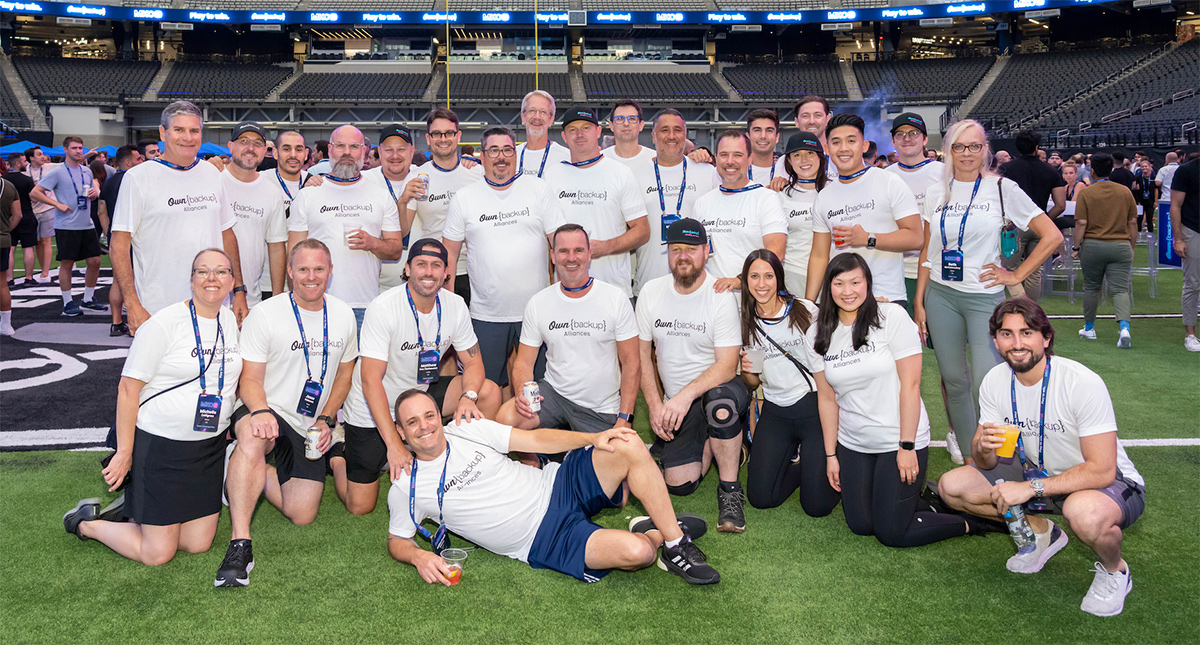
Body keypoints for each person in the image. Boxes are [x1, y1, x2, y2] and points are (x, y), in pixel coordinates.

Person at [938, 298, 1145, 617]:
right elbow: (988, 462)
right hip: (1040, 476)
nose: (1017, 343)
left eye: (1027, 332)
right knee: (952, 486)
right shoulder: (994, 381)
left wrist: (1029, 489)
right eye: (1006, 334)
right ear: (995, 340)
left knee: (1085, 513)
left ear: (1046, 338)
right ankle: (1042, 534)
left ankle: (1116, 571)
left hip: (1107, 483)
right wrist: (982, 447)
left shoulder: (1081, 383)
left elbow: (1102, 470)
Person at [386, 388, 721, 585]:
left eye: (429, 415)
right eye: (412, 422)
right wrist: (417, 556)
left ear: (438, 415)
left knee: (627, 443)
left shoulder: (466, 429)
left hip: (558, 484)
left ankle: (676, 545)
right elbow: (396, 539)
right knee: (640, 553)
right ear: (400, 431)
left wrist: (594, 438)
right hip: (542, 539)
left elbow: (534, 439)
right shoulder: (406, 486)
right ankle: (657, 532)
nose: (424, 426)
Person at [62, 249, 243, 565]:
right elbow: (128, 388)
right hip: (160, 447)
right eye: (203, 271)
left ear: (231, 280)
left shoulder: (229, 320)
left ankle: (136, 510)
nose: (212, 278)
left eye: (221, 272)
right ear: (191, 279)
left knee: (197, 543)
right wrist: (124, 453)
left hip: (207, 449)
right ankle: (87, 524)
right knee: (158, 553)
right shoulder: (163, 324)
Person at [915, 119, 1061, 464]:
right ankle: (970, 457)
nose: (967, 154)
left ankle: (998, 457)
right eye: (959, 147)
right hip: (940, 294)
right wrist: (920, 303)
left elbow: (1051, 235)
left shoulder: (1002, 188)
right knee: (953, 381)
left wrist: (1015, 275)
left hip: (984, 299)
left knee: (986, 382)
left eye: (975, 146)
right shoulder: (936, 191)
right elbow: (927, 251)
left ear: (986, 149)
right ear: (949, 150)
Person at [215, 239, 358, 587]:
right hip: (267, 407)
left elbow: (345, 374)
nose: (312, 277)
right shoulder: (266, 313)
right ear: (290, 272)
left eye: (319, 269)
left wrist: (325, 419)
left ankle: (240, 465)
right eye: (304, 269)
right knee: (252, 434)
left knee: (302, 513)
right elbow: (248, 379)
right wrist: (260, 411)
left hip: (307, 424)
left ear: (330, 272)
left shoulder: (342, 314)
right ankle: (240, 545)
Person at [811, 253, 979, 547]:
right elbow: (826, 398)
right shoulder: (818, 330)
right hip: (854, 443)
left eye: (855, 282)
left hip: (897, 440)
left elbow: (911, 386)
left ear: (868, 283)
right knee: (861, 525)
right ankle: (916, 500)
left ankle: (972, 522)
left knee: (891, 533)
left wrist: (906, 446)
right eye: (839, 283)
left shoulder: (891, 317)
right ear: (829, 287)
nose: (848, 291)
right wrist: (830, 455)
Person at [339, 238, 501, 515]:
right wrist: (393, 444)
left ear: (446, 273)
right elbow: (370, 380)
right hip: (373, 407)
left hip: (419, 399)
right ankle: (337, 454)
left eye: (436, 265)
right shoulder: (384, 307)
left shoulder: (455, 305)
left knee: (488, 391)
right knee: (360, 507)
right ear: (407, 269)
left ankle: (466, 466)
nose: (428, 272)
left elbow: (474, 364)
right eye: (421, 264)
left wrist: (468, 397)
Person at [637, 219, 747, 533]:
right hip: (677, 404)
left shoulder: (720, 295)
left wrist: (684, 398)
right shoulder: (651, 292)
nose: (683, 256)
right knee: (679, 484)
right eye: (676, 250)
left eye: (691, 249)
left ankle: (730, 492)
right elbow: (643, 356)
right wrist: (657, 407)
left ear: (706, 251)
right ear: (668, 254)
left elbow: (727, 365)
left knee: (720, 404)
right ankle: (719, 441)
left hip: (717, 390)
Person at [111, 101, 250, 335]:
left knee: (218, 372)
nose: (188, 137)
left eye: (194, 130)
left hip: (214, 307)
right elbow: (119, 245)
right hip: (158, 310)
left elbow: (227, 235)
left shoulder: (212, 174)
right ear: (162, 133)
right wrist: (132, 304)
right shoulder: (138, 178)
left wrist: (239, 291)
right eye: (179, 130)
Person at [443, 127, 565, 390]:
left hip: (536, 311)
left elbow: (559, 244)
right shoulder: (465, 198)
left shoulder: (538, 188)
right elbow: (449, 254)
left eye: (507, 149)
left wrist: (563, 296)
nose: (501, 156)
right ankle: (491, 431)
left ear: (516, 154)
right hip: (486, 314)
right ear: (483, 156)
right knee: (486, 388)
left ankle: (540, 431)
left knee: (542, 386)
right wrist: (449, 305)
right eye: (494, 150)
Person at [496, 224, 639, 442]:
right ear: (553, 256)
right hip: (554, 396)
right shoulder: (539, 302)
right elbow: (524, 363)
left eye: (579, 250)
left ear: (589, 253)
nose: (571, 258)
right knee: (507, 418)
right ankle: (534, 463)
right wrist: (523, 396)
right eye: (563, 251)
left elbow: (632, 363)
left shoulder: (615, 298)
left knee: (614, 468)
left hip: (600, 406)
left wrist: (625, 418)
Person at [738, 249, 836, 515]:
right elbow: (753, 381)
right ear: (745, 281)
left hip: (814, 409)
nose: (761, 284)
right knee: (761, 497)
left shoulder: (804, 309)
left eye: (768, 276)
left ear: (778, 278)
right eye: (754, 276)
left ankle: (829, 467)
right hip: (776, 411)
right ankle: (806, 470)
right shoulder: (745, 320)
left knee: (817, 506)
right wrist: (747, 369)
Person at [287, 124, 404, 331]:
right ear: (330, 149)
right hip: (317, 303)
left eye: (354, 146)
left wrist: (372, 243)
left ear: (364, 151)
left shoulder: (380, 195)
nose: (347, 152)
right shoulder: (309, 194)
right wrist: (297, 303)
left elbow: (395, 251)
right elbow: (293, 256)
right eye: (340, 146)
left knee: (362, 365)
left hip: (366, 306)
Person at [807, 114, 923, 310]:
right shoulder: (824, 196)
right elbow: (819, 255)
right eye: (836, 142)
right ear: (827, 149)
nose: (843, 148)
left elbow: (916, 238)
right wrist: (809, 304)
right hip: (840, 300)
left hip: (885, 297)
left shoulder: (889, 182)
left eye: (851, 141)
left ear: (864, 145)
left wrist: (868, 238)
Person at [542, 107, 649, 299]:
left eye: (586, 127)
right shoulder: (550, 177)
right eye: (572, 130)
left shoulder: (620, 173)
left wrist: (605, 247)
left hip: (613, 290)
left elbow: (642, 231)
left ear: (598, 132)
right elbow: (546, 238)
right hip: (567, 290)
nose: (579, 134)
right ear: (564, 137)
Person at [630, 109, 722, 297]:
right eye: (664, 130)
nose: (671, 136)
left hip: (699, 286)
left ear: (685, 135)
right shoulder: (634, 175)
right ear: (653, 136)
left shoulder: (707, 172)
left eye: (677, 130)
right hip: (649, 284)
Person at [691, 130, 787, 290]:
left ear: (750, 159)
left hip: (753, 300)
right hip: (713, 300)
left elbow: (776, 253)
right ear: (715, 158)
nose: (730, 161)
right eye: (724, 155)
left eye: (737, 155)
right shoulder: (702, 203)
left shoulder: (765, 198)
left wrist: (739, 281)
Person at [409, 108, 483, 302]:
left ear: (458, 136)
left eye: (449, 133)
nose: (443, 138)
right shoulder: (417, 178)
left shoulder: (477, 174)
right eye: (436, 134)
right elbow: (402, 231)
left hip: (476, 271)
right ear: (428, 138)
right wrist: (402, 201)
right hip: (433, 272)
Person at [30, 137, 106, 317]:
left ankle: (88, 299)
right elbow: (35, 193)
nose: (78, 151)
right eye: (74, 148)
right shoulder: (58, 171)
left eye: (80, 148)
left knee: (95, 261)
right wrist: (56, 204)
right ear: (65, 150)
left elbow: (90, 194)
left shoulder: (86, 171)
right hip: (66, 225)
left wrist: (94, 194)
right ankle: (67, 302)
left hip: (86, 224)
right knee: (67, 264)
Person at [1072, 153, 1137, 348]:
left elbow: (1081, 223)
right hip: (1121, 245)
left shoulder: (1086, 193)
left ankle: (1089, 327)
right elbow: (1133, 221)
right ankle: (1124, 327)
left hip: (1093, 245)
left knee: (1091, 287)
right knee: (1120, 289)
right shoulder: (1124, 192)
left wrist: (1076, 247)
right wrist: (1130, 246)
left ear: (1092, 171)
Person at [222, 121, 286, 308]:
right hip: (209, 299)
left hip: (252, 301)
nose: (250, 148)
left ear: (264, 149)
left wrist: (276, 299)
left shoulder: (272, 192)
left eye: (257, 143)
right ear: (231, 146)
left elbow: (276, 247)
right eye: (244, 141)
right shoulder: (213, 181)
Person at [885, 112, 945, 311]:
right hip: (895, 271)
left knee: (939, 338)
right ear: (893, 141)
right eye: (900, 134)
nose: (907, 138)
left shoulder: (944, 173)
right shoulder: (884, 177)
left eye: (914, 133)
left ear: (925, 139)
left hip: (937, 269)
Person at [998, 130, 1066, 301]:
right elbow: (1060, 205)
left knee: (1010, 269)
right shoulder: (1050, 171)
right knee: (1034, 270)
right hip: (1038, 226)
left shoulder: (1007, 169)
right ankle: (1031, 308)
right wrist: (1044, 221)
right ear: (1037, 148)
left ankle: (1020, 306)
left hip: (1013, 226)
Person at [361, 124, 424, 288]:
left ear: (412, 151)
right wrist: (314, 180)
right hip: (373, 287)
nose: (395, 156)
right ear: (379, 153)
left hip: (418, 287)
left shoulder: (424, 177)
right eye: (389, 150)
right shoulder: (363, 180)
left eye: (401, 149)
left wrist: (470, 166)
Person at [97, 145, 143, 335]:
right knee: (140, 280)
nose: (142, 162)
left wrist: (111, 235)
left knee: (118, 280)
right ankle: (139, 321)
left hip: (118, 237)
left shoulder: (108, 182)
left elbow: (101, 210)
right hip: (137, 237)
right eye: (138, 159)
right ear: (128, 162)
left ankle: (116, 323)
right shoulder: (136, 180)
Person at [777, 131, 828, 294]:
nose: (804, 160)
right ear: (789, 161)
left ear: (820, 157)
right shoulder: (780, 196)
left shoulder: (836, 191)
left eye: (810, 153)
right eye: (797, 155)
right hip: (794, 277)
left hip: (833, 277)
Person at [1170, 157, 1199, 352]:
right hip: (1192, 230)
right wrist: (1178, 238)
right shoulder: (1186, 171)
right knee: (1192, 283)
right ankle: (1190, 334)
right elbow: (1175, 205)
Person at [515, 90, 570, 178]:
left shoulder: (566, 158)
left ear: (551, 120)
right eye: (532, 111)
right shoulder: (511, 156)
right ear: (523, 117)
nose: (537, 117)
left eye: (543, 112)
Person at [21, 146, 56, 284]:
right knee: (37, 243)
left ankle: (45, 272)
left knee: (46, 240)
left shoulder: (50, 167)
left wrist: (86, 155)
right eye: (39, 154)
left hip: (47, 208)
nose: (43, 157)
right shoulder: (25, 172)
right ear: (31, 158)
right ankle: (42, 270)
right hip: (31, 210)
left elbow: (68, 163)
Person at [3, 153, 37, 287]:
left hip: (8, 217)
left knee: (10, 248)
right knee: (28, 248)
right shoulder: (27, 180)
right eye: (24, 161)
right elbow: (34, 197)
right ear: (17, 164)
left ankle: (9, 279)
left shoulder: (3, 180)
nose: (26, 163)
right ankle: (28, 278)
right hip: (26, 215)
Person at [607, 98, 654, 169]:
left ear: (641, 125)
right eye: (620, 119)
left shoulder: (656, 160)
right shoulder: (600, 160)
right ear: (611, 126)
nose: (626, 123)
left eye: (632, 118)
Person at [0, 176, 20, 335]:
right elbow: (17, 215)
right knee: (2, 283)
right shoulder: (8, 186)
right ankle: (6, 324)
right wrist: (5, 231)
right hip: (3, 239)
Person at [744, 108, 784, 185]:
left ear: (777, 137)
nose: (763, 136)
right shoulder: (735, 172)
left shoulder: (787, 174)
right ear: (748, 136)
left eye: (769, 130)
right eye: (757, 130)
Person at [1132, 159, 1157, 233]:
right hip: (1141, 201)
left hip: (1150, 201)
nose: (1144, 168)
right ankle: (1138, 234)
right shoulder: (1138, 178)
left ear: (1150, 167)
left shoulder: (1153, 177)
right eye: (1142, 166)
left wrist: (1155, 201)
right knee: (1139, 219)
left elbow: (1156, 189)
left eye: (1145, 166)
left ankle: (1150, 235)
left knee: (1149, 219)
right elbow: (1135, 191)